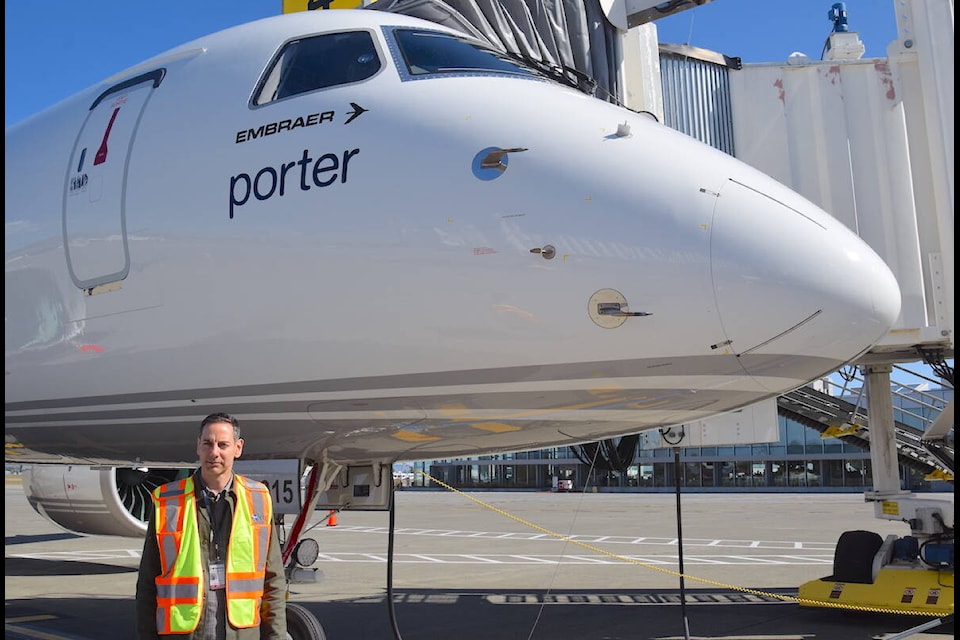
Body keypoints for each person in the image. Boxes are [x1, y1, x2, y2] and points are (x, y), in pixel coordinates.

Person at [136, 412, 287, 639]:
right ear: (198, 446)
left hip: (240, 633)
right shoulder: (168, 501)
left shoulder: (258, 499)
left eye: (223, 445)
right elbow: (147, 583)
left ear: (238, 448)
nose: (214, 452)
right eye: (207, 443)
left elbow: (273, 581)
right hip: (183, 633)